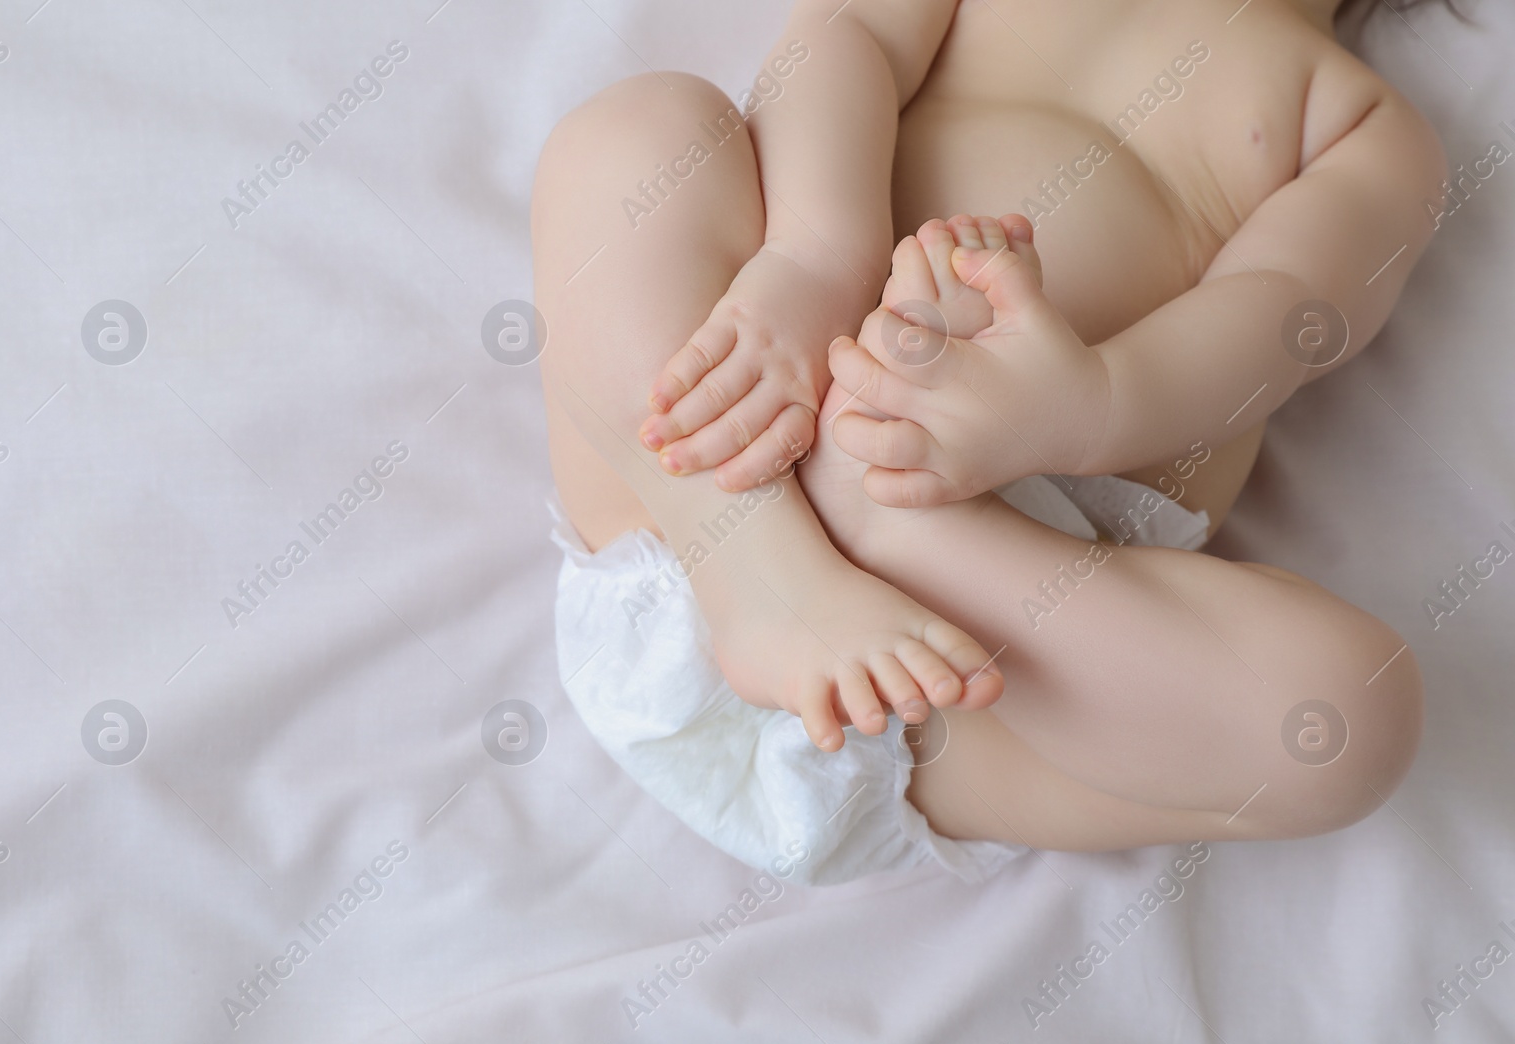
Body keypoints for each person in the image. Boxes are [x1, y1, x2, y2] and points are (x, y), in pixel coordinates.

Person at [533, 0, 1441, 883]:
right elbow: (846, 35)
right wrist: (817, 253)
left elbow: (1286, 313)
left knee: (1350, 717)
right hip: (711, 464)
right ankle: (763, 571)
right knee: (637, 131)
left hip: (969, 681)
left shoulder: (1360, 124)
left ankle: (893, 519)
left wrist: (1089, 407)